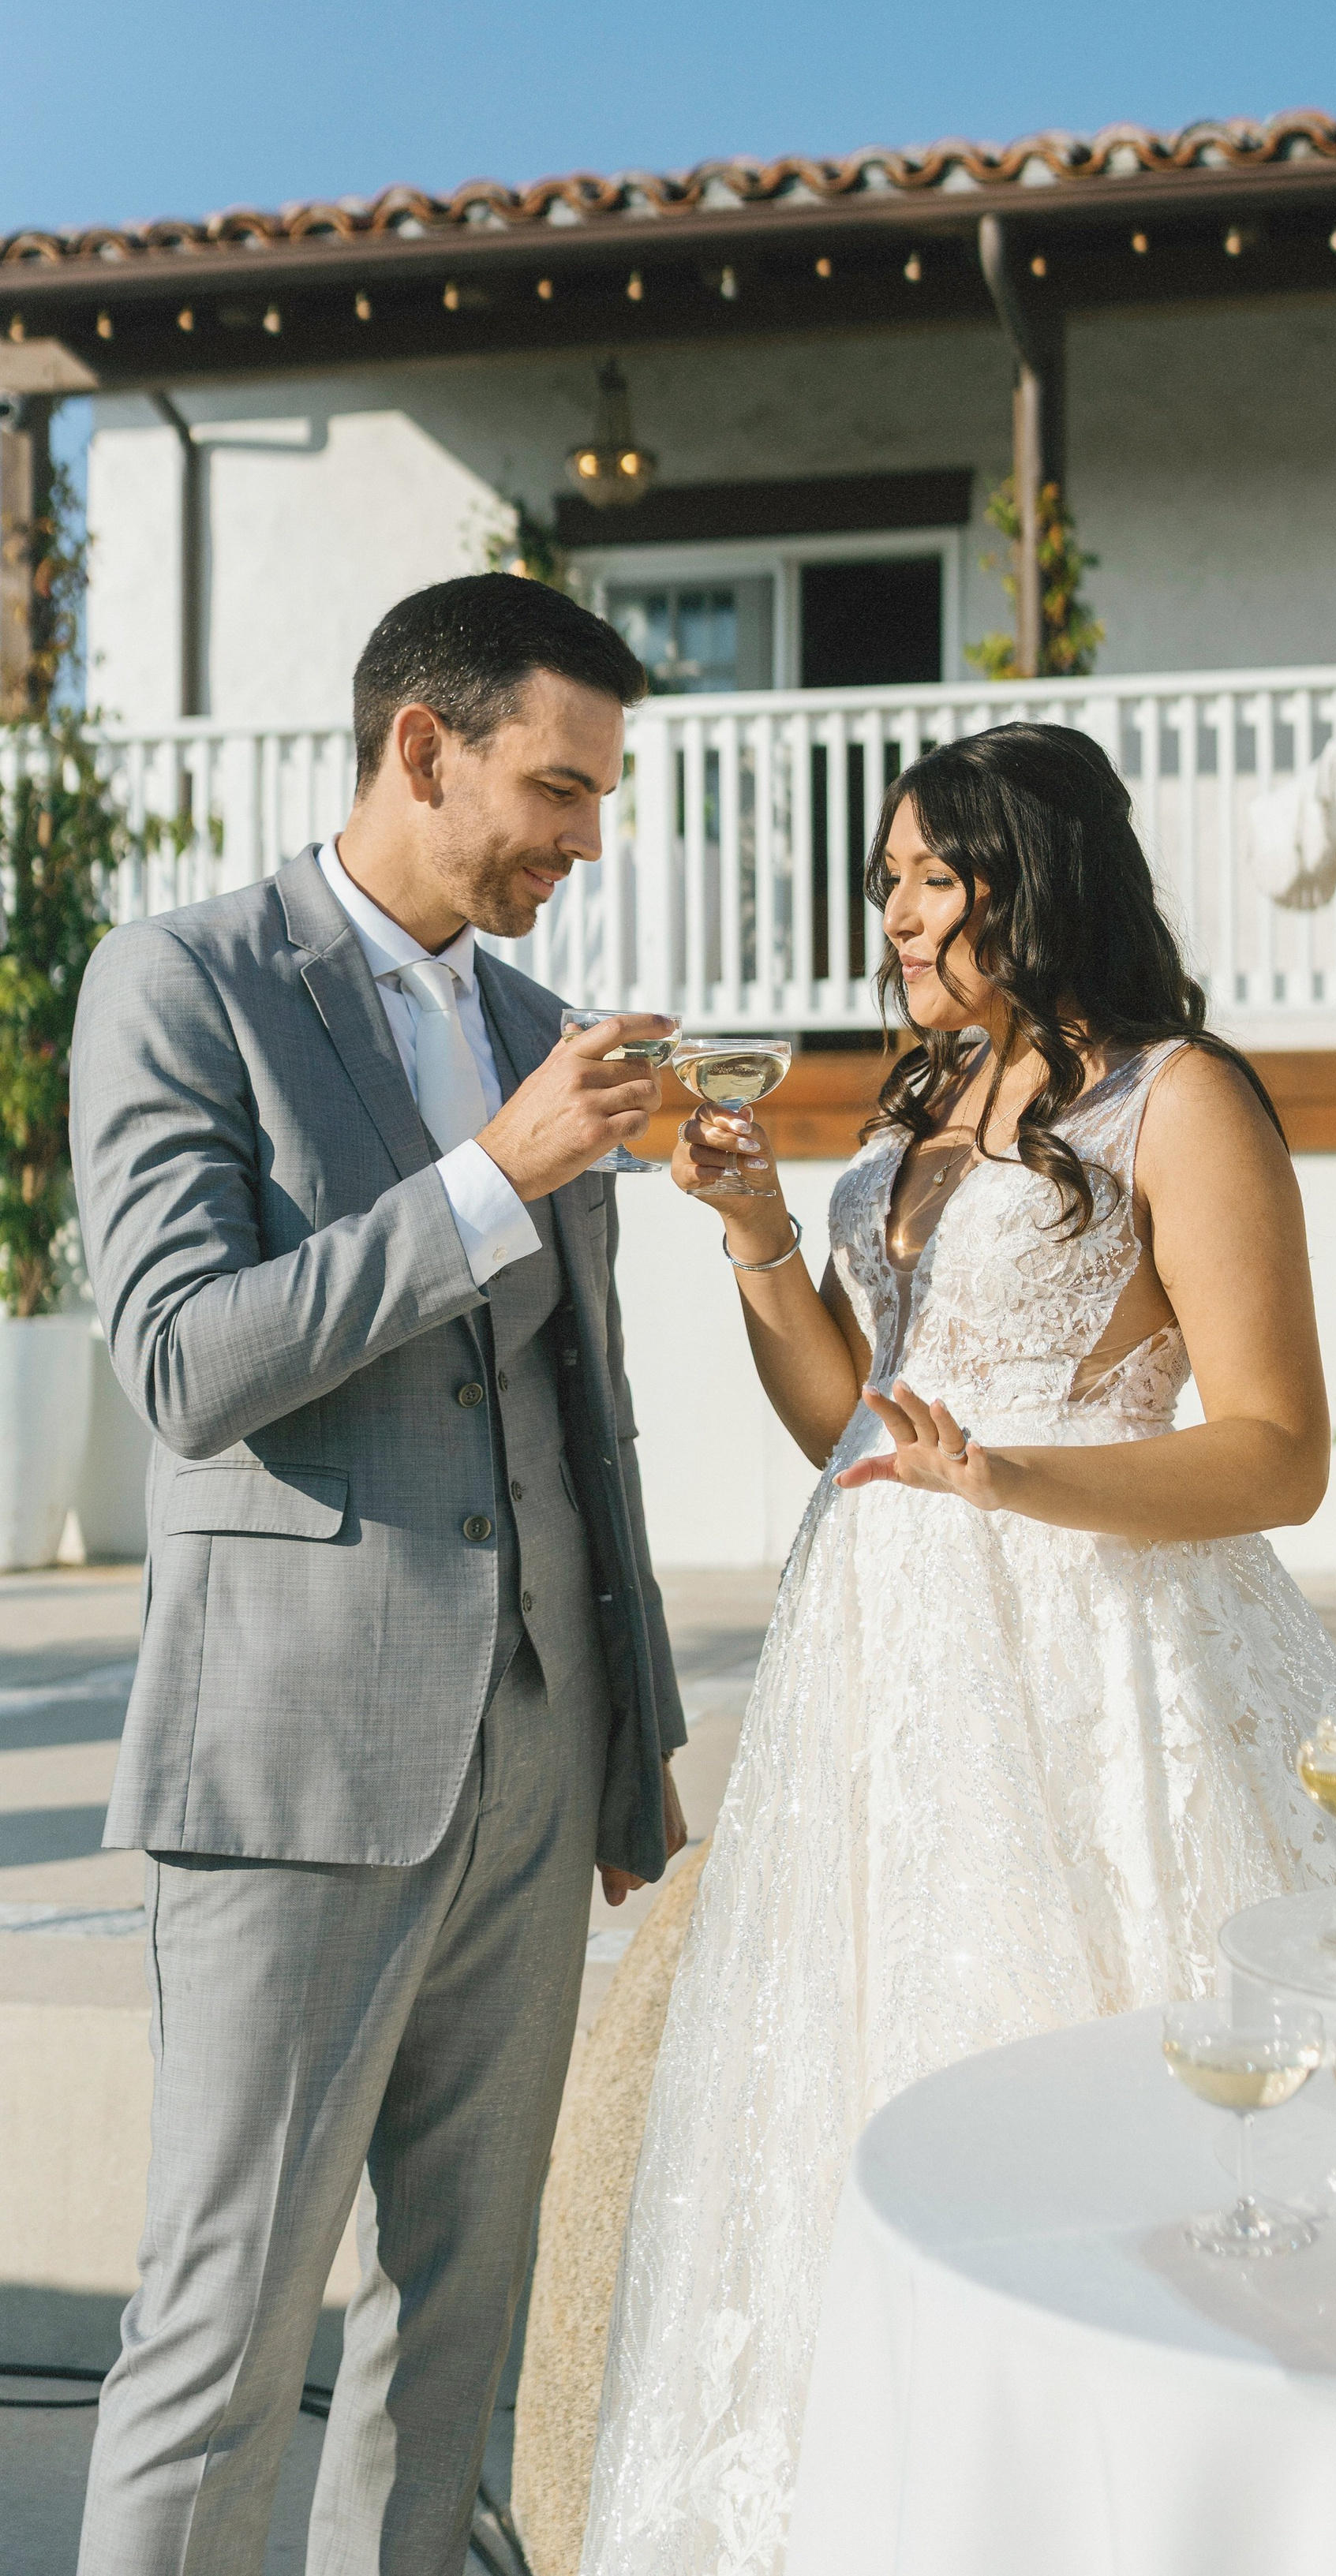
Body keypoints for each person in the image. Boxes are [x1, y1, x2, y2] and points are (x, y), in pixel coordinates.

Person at [581, 720, 1336, 2576]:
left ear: (1042, 874)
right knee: (853, 2098)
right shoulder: (915, 1106)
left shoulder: (1179, 1099)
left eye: (940, 875)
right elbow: (849, 1424)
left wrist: (1012, 1474)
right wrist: (766, 1234)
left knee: (1085, 2108)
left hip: (1099, 1669)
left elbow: (1279, 1450)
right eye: (890, 881)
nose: (903, 915)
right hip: (877, 1678)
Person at [70, 573, 689, 2576]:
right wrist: (491, 1175)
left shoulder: (536, 1029)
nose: (586, 835)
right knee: (224, 2331)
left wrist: (629, 1737)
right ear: (422, 748)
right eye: (557, 785)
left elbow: (586, 1418)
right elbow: (186, 1364)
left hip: (533, 1767)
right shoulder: (181, 982)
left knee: (458, 2332)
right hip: (295, 1765)